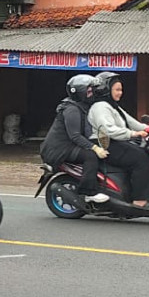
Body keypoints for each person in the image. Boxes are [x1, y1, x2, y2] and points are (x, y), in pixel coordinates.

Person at [88, 72, 149, 210]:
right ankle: (139, 201)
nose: (120, 93)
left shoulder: (113, 106)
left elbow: (131, 121)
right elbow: (108, 129)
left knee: (147, 154)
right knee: (140, 158)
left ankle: (147, 194)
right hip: (105, 143)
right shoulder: (100, 107)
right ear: (106, 89)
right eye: (117, 89)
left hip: (116, 141)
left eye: (121, 90)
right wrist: (134, 134)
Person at [40, 74, 109, 204]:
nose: (92, 93)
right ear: (80, 93)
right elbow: (75, 136)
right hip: (60, 148)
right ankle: (88, 192)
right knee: (90, 156)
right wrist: (94, 148)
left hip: (70, 145)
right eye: (89, 91)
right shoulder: (72, 109)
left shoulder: (84, 107)